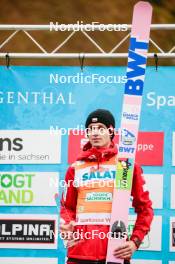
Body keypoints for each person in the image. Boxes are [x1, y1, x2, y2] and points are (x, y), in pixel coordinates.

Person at [60, 109, 154, 264]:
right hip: (79, 253)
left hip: (115, 253)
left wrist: (135, 241)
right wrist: (68, 224)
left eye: (101, 128)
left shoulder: (126, 165)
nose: (95, 133)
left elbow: (145, 208)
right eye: (90, 129)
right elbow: (67, 207)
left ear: (111, 131)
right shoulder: (75, 168)